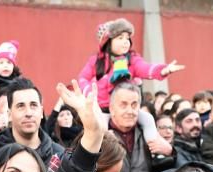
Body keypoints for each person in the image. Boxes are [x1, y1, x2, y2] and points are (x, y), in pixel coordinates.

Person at [77, 18, 183, 153]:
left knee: (148, 119)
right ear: (108, 41)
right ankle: (108, 153)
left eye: (127, 38)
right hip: (103, 108)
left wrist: (163, 70)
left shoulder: (132, 59)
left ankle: (153, 149)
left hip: (126, 106)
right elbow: (82, 78)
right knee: (102, 129)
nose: (125, 42)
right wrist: (91, 93)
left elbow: (144, 68)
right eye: (120, 38)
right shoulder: (96, 61)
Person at [108, 82, 173, 172]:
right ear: (112, 108)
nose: (130, 110)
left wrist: (171, 152)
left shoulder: (149, 135)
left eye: (134, 104)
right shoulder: (101, 136)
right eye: (123, 105)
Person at [0, 78, 65, 165]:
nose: (28, 113)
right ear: (9, 115)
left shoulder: (60, 156)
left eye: (33, 105)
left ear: (41, 112)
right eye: (21, 106)